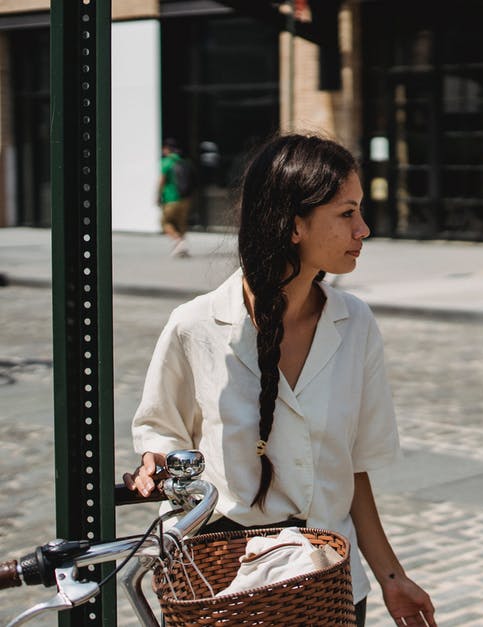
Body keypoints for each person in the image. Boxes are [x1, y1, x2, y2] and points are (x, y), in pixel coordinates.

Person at [125, 133, 437, 626]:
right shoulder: (196, 325)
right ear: (295, 225)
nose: (364, 229)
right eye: (347, 213)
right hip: (227, 589)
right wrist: (158, 461)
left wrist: (392, 579)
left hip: (328, 588)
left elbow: (352, 469)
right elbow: (161, 429)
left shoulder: (355, 324)